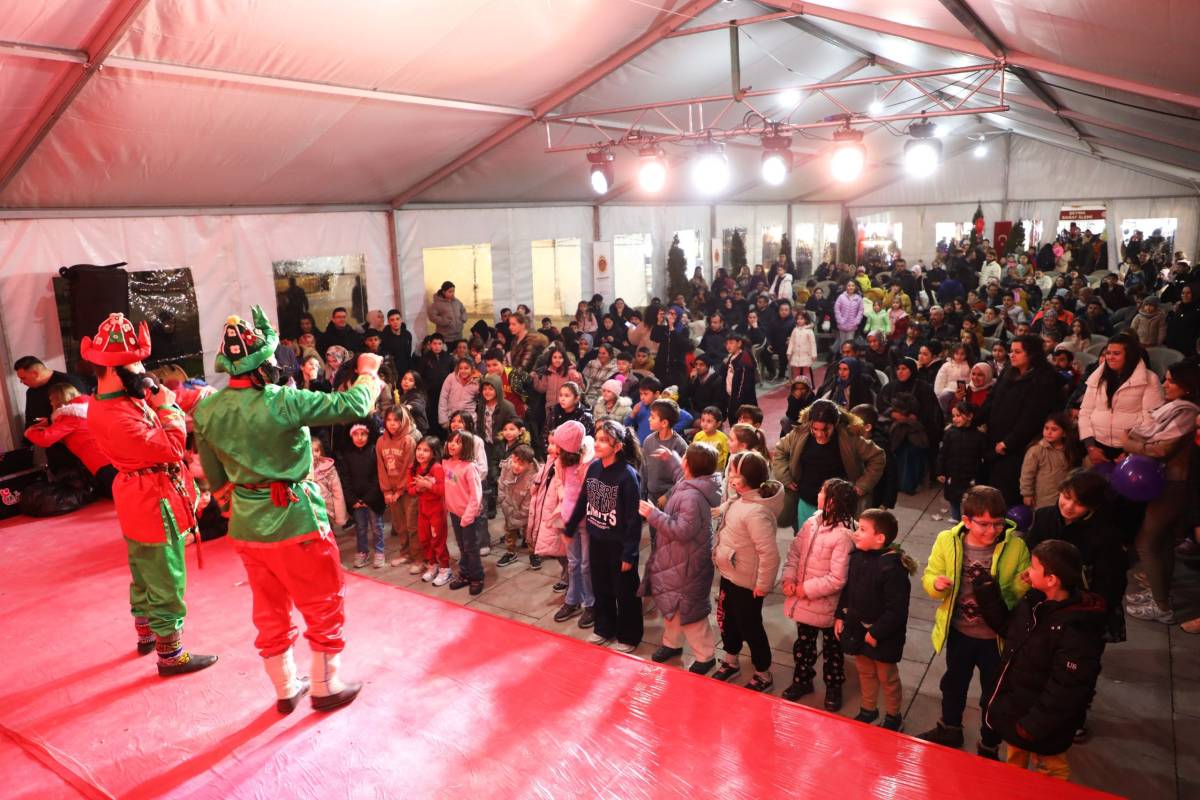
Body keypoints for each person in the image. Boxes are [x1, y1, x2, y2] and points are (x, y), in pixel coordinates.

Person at [194, 306, 384, 711]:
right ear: (263, 366)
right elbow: (353, 405)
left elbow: (215, 476)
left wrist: (236, 505)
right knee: (322, 600)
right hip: (295, 519)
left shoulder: (207, 409)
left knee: (268, 608)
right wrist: (368, 372)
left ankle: (285, 689)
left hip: (247, 525)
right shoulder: (282, 401)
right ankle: (325, 684)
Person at [80, 313, 217, 677]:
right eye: (136, 363)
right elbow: (172, 447)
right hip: (152, 500)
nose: (143, 369)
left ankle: (147, 634)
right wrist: (167, 404)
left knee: (143, 567)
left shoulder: (112, 399)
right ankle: (170, 654)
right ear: (118, 369)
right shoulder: (116, 415)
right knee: (165, 573)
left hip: (139, 494)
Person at [975, 540, 1106, 780]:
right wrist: (987, 593)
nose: (1027, 571)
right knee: (1014, 765)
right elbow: (1009, 630)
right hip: (1018, 713)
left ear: (1051, 579)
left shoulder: (1076, 630)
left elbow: (1067, 689)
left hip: (1041, 726)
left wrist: (1032, 726)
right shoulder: (1036, 602)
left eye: (1033, 567)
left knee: (1051, 771)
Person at [918, 485, 1031, 759]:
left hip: (996, 638)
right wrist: (936, 584)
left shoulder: (1016, 547)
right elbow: (930, 575)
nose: (992, 531)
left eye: (997, 523)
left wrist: (1018, 586)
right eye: (983, 524)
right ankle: (950, 728)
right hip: (960, 632)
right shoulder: (947, 540)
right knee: (953, 684)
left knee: (993, 694)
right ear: (966, 520)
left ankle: (989, 744)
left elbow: (1018, 595)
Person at [1123, 362, 1200, 623]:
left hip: (1173, 485)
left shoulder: (1187, 412)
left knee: (1145, 543)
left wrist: (1129, 443)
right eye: (1165, 379)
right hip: (1163, 482)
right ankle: (1160, 593)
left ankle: (1162, 606)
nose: (1165, 385)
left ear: (1187, 387)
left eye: (1171, 381)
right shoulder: (1173, 409)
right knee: (1163, 541)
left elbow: (1162, 449)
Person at [639, 442, 722, 674]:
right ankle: (672, 644)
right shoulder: (693, 482)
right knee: (672, 605)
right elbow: (681, 477)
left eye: (684, 457)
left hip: (687, 563)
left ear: (690, 466)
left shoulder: (692, 498)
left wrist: (653, 515)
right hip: (677, 559)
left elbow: (682, 530)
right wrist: (672, 458)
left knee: (691, 612)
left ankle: (705, 656)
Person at [565, 420, 644, 652]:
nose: (597, 444)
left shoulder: (628, 475)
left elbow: (633, 519)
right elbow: (583, 499)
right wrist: (570, 527)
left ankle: (629, 636)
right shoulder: (594, 468)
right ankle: (604, 627)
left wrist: (629, 553)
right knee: (601, 586)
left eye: (604, 441)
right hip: (597, 539)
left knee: (625, 592)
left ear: (617, 446)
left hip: (619, 544)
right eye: (597, 439)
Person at [1026, 470, 1127, 647]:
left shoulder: (1105, 535)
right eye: (1066, 497)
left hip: (1081, 610)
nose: (1068, 506)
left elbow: (1111, 584)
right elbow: (1030, 553)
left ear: (1092, 506)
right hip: (1042, 600)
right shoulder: (1044, 516)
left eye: (1079, 503)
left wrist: (1089, 611)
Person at [779, 478, 856, 709]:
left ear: (832, 502)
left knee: (833, 649)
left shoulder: (843, 536)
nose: (818, 493)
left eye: (822, 491)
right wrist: (789, 578)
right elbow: (795, 552)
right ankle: (802, 681)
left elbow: (837, 578)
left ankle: (833, 686)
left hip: (828, 606)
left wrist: (805, 589)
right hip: (805, 603)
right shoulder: (812, 522)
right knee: (803, 645)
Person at [711, 451, 783, 691]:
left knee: (750, 626)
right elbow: (730, 507)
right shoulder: (739, 500)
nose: (729, 476)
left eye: (733, 472)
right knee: (728, 620)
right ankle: (731, 660)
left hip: (748, 583)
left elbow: (769, 554)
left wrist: (763, 585)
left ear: (743, 480)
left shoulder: (757, 513)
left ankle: (763, 672)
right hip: (730, 574)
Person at [838, 508, 915, 731]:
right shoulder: (857, 557)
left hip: (882, 637)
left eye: (862, 529)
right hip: (858, 629)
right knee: (865, 671)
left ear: (879, 538)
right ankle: (868, 708)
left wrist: (875, 632)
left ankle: (893, 715)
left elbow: (897, 610)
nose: (856, 533)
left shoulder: (892, 569)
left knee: (887, 677)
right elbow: (848, 590)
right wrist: (840, 614)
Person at [772, 399, 886, 531]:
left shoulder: (849, 438)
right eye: (815, 429)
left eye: (826, 429)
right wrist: (785, 477)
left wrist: (862, 485)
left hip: (838, 507)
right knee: (804, 539)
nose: (820, 434)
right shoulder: (799, 434)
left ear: (835, 424)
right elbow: (780, 451)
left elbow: (877, 457)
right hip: (806, 502)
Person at [979, 334, 1060, 506]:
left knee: (1005, 494)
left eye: (1017, 352)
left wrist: (1008, 442)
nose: (1011, 355)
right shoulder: (1009, 370)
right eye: (1011, 351)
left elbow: (1032, 417)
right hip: (995, 438)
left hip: (1017, 446)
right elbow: (992, 399)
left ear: (1031, 354)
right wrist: (974, 417)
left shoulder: (1044, 379)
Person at [1078, 333, 1163, 466]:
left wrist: (1130, 451)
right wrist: (1090, 446)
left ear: (1129, 356)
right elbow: (1085, 411)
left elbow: (1151, 419)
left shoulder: (1150, 379)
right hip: (1097, 444)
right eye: (1108, 353)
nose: (1110, 357)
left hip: (1129, 447)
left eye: (1116, 353)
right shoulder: (1097, 376)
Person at [23, 383, 116, 497]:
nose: (51, 403)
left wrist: (30, 431)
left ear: (59, 398)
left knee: (120, 497)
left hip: (100, 460)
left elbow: (45, 439)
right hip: (110, 457)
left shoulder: (71, 416)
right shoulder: (86, 409)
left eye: (52, 399)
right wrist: (49, 425)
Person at [14, 355, 88, 473]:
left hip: (78, 449)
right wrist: (26, 443)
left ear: (35, 373)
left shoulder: (69, 382)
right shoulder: (31, 392)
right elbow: (30, 419)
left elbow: (83, 412)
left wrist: (49, 422)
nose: (21, 382)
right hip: (54, 452)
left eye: (23, 378)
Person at [442, 430, 485, 594]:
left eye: (457, 442)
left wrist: (468, 516)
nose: (452, 445)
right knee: (461, 546)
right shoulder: (446, 463)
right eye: (450, 441)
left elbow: (476, 495)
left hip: (468, 515)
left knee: (471, 548)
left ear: (465, 445)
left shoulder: (470, 467)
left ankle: (477, 577)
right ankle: (465, 574)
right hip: (455, 513)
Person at [339, 423, 387, 568]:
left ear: (369, 434)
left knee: (377, 526)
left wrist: (368, 499)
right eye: (356, 434)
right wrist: (353, 500)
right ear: (350, 436)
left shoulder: (374, 452)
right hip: (356, 500)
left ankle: (379, 551)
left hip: (373, 499)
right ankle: (362, 552)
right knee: (360, 528)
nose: (360, 438)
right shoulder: (347, 455)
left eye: (363, 434)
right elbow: (345, 479)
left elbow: (378, 477)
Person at [378, 407, 419, 570]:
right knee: (400, 525)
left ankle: (419, 558)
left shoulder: (408, 441)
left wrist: (400, 490)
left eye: (396, 420)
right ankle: (405, 553)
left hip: (408, 490)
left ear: (403, 421)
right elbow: (381, 468)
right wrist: (387, 491)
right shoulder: (381, 442)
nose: (392, 424)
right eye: (389, 420)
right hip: (392, 492)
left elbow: (409, 467)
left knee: (412, 524)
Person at [935, 402, 988, 522]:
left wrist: (979, 473)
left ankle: (968, 520)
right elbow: (942, 453)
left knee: (969, 499)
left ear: (969, 416)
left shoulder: (979, 436)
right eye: (953, 416)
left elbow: (983, 456)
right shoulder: (950, 433)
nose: (955, 419)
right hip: (953, 473)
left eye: (958, 415)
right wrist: (940, 471)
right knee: (953, 497)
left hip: (970, 474)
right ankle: (955, 516)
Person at [1019, 412, 1082, 510]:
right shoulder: (1036, 450)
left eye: (1054, 429)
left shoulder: (1069, 451)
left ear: (1064, 433)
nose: (1049, 432)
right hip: (1042, 499)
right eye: (1046, 428)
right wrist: (1027, 494)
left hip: (1061, 497)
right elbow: (1027, 474)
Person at [410, 437, 451, 586]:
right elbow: (410, 489)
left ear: (434, 453)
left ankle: (445, 569)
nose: (421, 453)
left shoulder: (437, 468)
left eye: (426, 450)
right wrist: (418, 488)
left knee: (438, 540)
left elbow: (443, 490)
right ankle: (432, 565)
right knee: (424, 539)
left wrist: (427, 485)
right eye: (419, 449)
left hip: (437, 511)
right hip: (423, 510)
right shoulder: (414, 467)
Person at [642, 398, 688, 511]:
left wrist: (668, 496)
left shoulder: (680, 445)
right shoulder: (648, 441)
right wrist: (642, 494)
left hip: (671, 499)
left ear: (664, 423)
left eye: (653, 417)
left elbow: (684, 477)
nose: (649, 419)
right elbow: (644, 469)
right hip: (650, 497)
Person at [496, 444, 538, 568]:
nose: (516, 466)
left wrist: (523, 512)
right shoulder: (506, 466)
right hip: (509, 505)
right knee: (509, 531)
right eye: (515, 461)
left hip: (525, 510)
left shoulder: (534, 475)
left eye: (521, 464)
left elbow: (531, 497)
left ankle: (534, 553)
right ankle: (510, 552)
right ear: (512, 457)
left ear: (529, 464)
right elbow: (501, 483)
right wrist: (503, 500)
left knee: (529, 532)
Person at [309, 436, 347, 529]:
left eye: (316, 450)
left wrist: (340, 516)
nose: (314, 454)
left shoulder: (328, 468)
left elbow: (337, 493)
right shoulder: (301, 471)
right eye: (310, 451)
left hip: (328, 511)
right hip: (311, 512)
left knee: (329, 532)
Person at [723, 332, 757, 422]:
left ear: (739, 343)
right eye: (727, 343)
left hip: (741, 401)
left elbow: (744, 384)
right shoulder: (731, 357)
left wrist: (737, 401)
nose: (728, 346)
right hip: (731, 397)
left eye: (731, 343)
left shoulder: (745, 359)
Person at [692, 406, 730, 470]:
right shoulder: (698, 436)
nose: (705, 424)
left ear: (718, 424)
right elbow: (693, 453)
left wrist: (724, 470)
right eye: (703, 420)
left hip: (717, 471)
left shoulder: (723, 438)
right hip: (701, 468)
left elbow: (726, 456)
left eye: (709, 421)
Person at [381, 308, 413, 379]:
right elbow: (384, 355)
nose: (395, 322)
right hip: (392, 372)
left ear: (401, 320)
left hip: (406, 370)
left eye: (397, 319)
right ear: (388, 322)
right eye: (392, 320)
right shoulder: (384, 337)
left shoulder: (407, 335)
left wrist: (410, 370)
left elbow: (408, 354)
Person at [834, 281, 864, 351]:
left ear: (855, 287)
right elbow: (837, 308)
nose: (851, 287)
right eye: (849, 286)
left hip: (852, 324)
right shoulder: (841, 297)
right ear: (846, 287)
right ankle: (842, 355)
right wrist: (840, 320)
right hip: (842, 324)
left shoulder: (858, 298)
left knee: (850, 343)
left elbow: (861, 310)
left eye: (852, 286)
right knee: (842, 342)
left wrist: (857, 321)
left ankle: (849, 356)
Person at [787, 311, 817, 384]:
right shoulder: (795, 330)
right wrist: (789, 352)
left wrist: (814, 354)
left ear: (806, 320)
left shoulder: (809, 331)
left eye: (801, 319)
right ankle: (796, 385)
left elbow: (813, 344)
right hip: (795, 355)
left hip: (806, 355)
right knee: (796, 372)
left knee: (806, 372)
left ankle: (807, 385)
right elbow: (791, 342)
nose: (799, 320)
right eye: (798, 319)